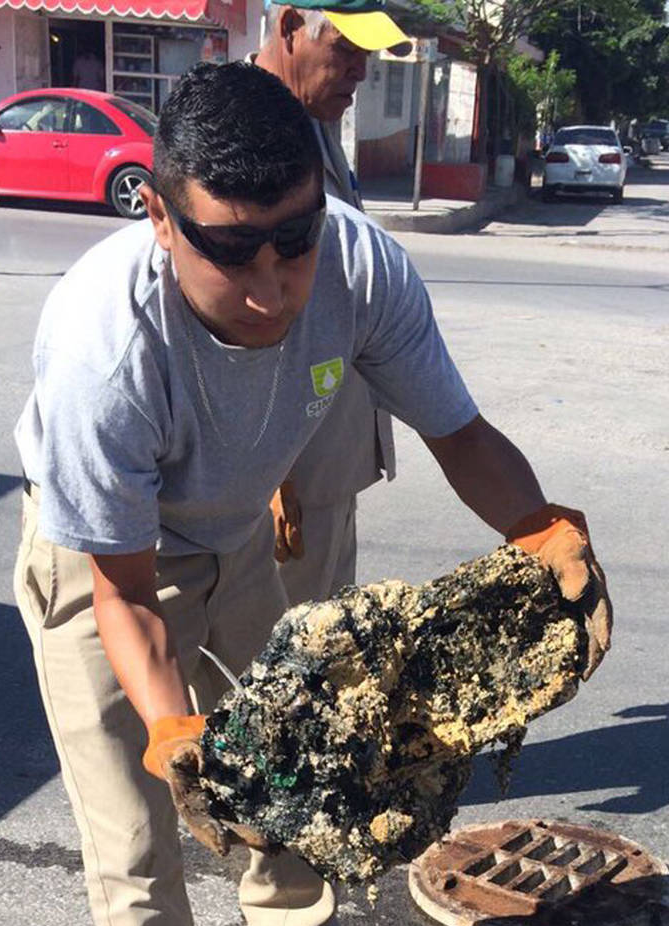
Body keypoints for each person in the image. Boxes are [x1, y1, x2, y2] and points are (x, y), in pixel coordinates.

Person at [14, 62, 611, 926]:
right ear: (156, 211)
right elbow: (126, 593)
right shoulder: (104, 350)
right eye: (232, 248)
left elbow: (458, 433)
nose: (273, 280)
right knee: (141, 824)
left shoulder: (357, 264)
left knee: (308, 747)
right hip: (109, 553)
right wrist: (175, 730)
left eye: (294, 237)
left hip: (242, 526)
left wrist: (542, 529)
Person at [253, 2, 410, 605]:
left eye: (366, 55)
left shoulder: (312, 121)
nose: (361, 72)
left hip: (325, 462)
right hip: (281, 473)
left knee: (325, 643)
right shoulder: (242, 131)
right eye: (345, 50)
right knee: (279, 665)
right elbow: (222, 318)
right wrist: (266, 470)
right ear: (291, 28)